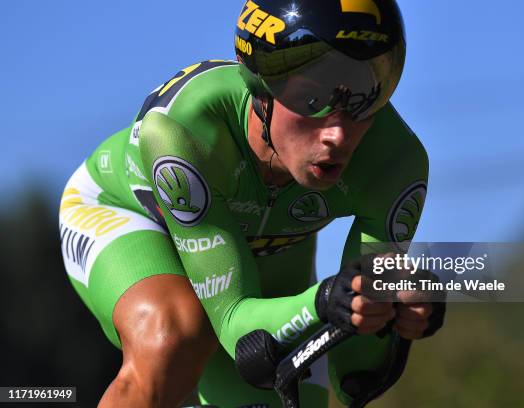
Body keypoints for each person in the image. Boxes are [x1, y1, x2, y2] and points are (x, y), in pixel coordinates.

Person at [58, 0, 444, 406]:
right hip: (129, 214)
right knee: (173, 338)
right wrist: (322, 300)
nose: (338, 135)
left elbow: (355, 375)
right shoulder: (185, 129)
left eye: (365, 99)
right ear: (263, 87)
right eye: (315, 100)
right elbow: (232, 321)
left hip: (270, 249)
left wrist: (396, 317)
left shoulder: (395, 160)